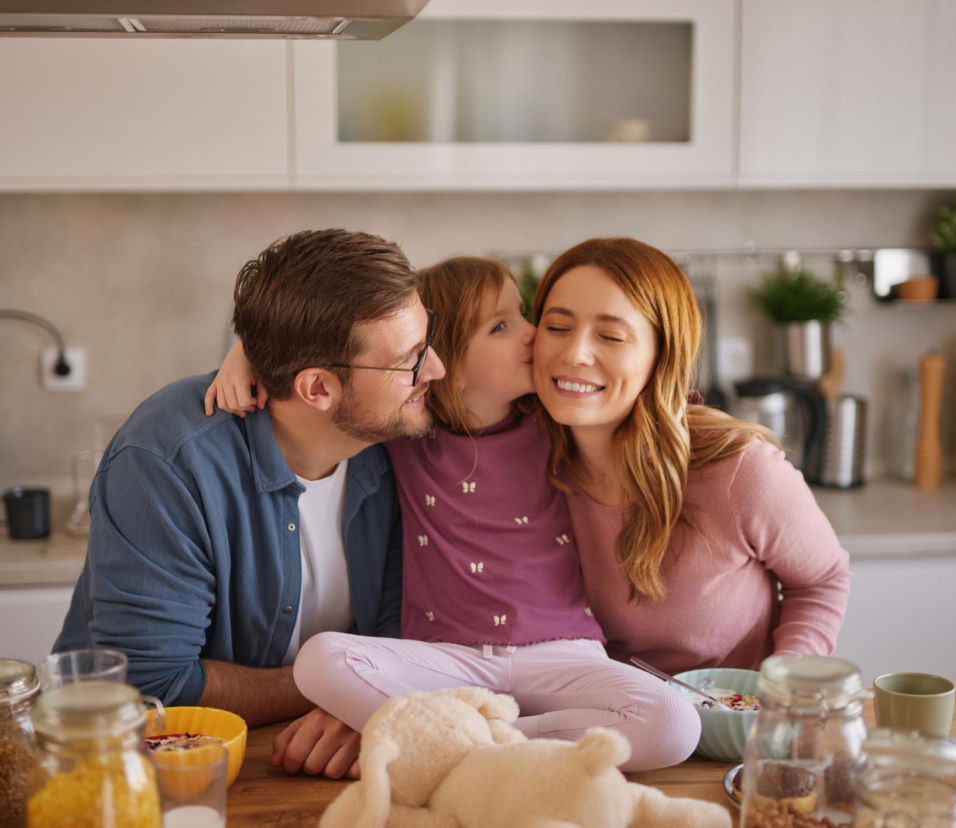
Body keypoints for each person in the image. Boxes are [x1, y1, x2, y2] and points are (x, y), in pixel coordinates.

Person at [209, 256, 701, 771]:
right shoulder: (404, 434)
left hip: (563, 650)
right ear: (443, 361)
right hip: (446, 660)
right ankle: (475, 744)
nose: (536, 335)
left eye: (524, 316)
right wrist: (246, 353)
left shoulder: (561, 424)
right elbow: (316, 345)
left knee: (674, 723)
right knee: (320, 661)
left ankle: (458, 744)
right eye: (503, 325)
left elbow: (646, 397)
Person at [54, 228, 445, 779]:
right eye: (413, 360)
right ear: (316, 389)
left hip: (330, 752)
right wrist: (345, 685)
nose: (436, 371)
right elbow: (154, 691)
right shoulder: (166, 461)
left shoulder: (396, 438)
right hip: (146, 775)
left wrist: (369, 696)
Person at [528, 237, 851, 674]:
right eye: (557, 327)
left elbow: (823, 580)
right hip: (606, 726)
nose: (574, 354)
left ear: (662, 357)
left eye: (610, 336)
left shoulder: (740, 471)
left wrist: (784, 688)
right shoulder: (523, 461)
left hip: (733, 732)